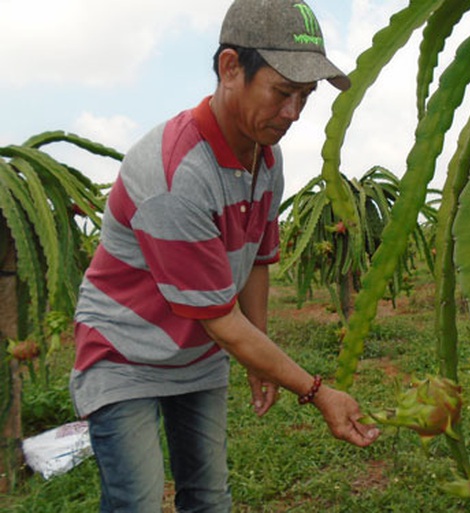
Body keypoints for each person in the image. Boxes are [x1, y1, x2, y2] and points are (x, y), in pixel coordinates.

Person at [69, 1, 379, 511]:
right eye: (282, 92)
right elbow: (219, 318)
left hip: (199, 355)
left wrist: (259, 352)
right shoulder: (178, 176)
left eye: (306, 96)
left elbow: (258, 256)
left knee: (210, 496)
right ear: (230, 67)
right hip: (124, 355)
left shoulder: (266, 156)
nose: (294, 113)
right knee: (138, 501)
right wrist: (318, 391)